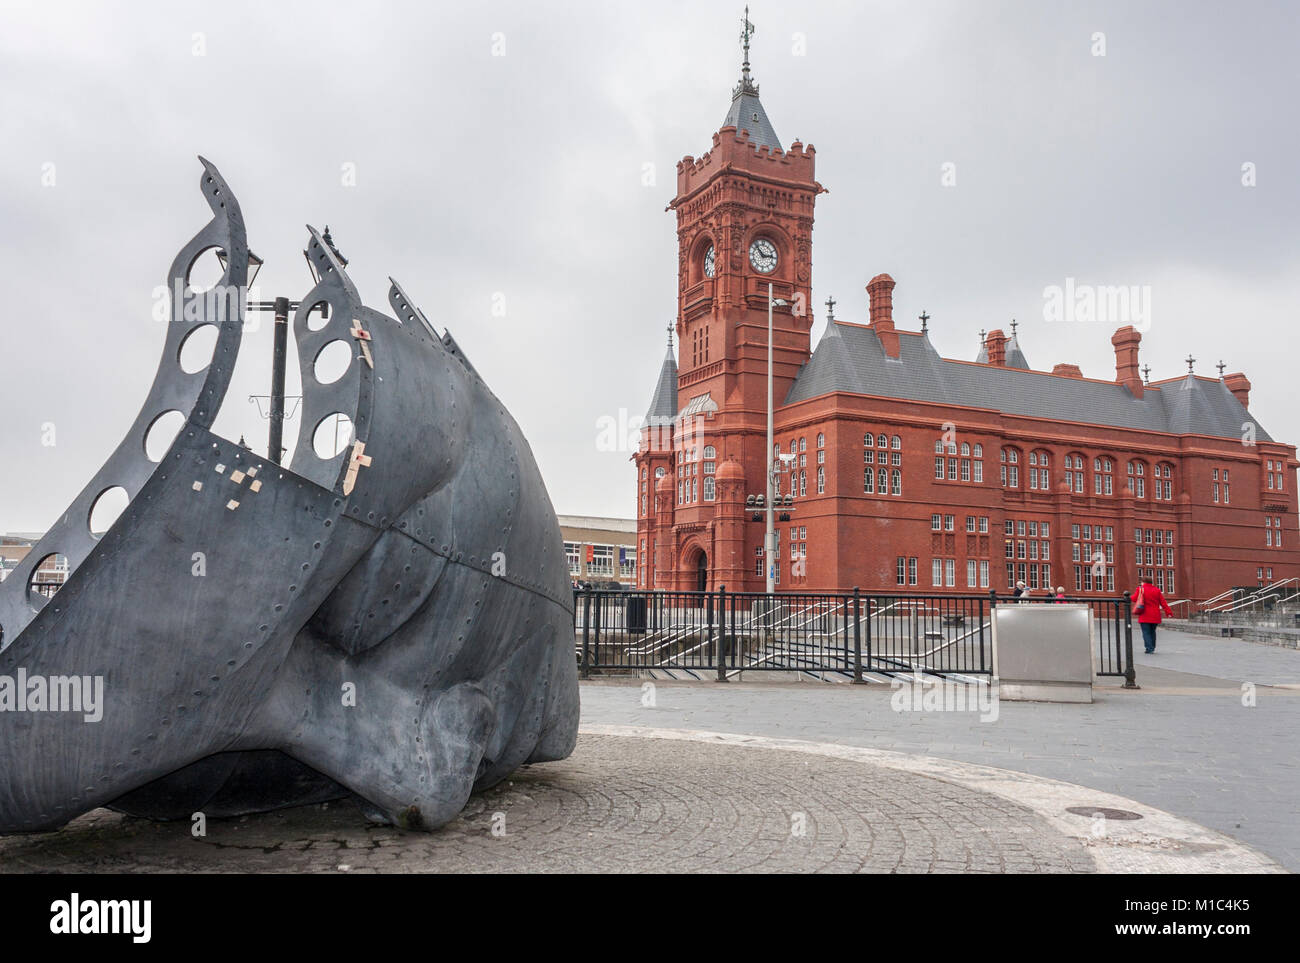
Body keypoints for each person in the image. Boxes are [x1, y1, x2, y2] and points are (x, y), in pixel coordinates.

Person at [1131, 576, 1174, 653]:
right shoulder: (1157, 590)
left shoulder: (1140, 589)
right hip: (1155, 615)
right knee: (1152, 632)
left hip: (1144, 615)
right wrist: (1169, 612)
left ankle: (1149, 648)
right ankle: (1152, 647)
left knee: (1146, 632)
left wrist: (1126, 598)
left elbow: (1134, 598)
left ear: (1143, 582)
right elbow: (1163, 603)